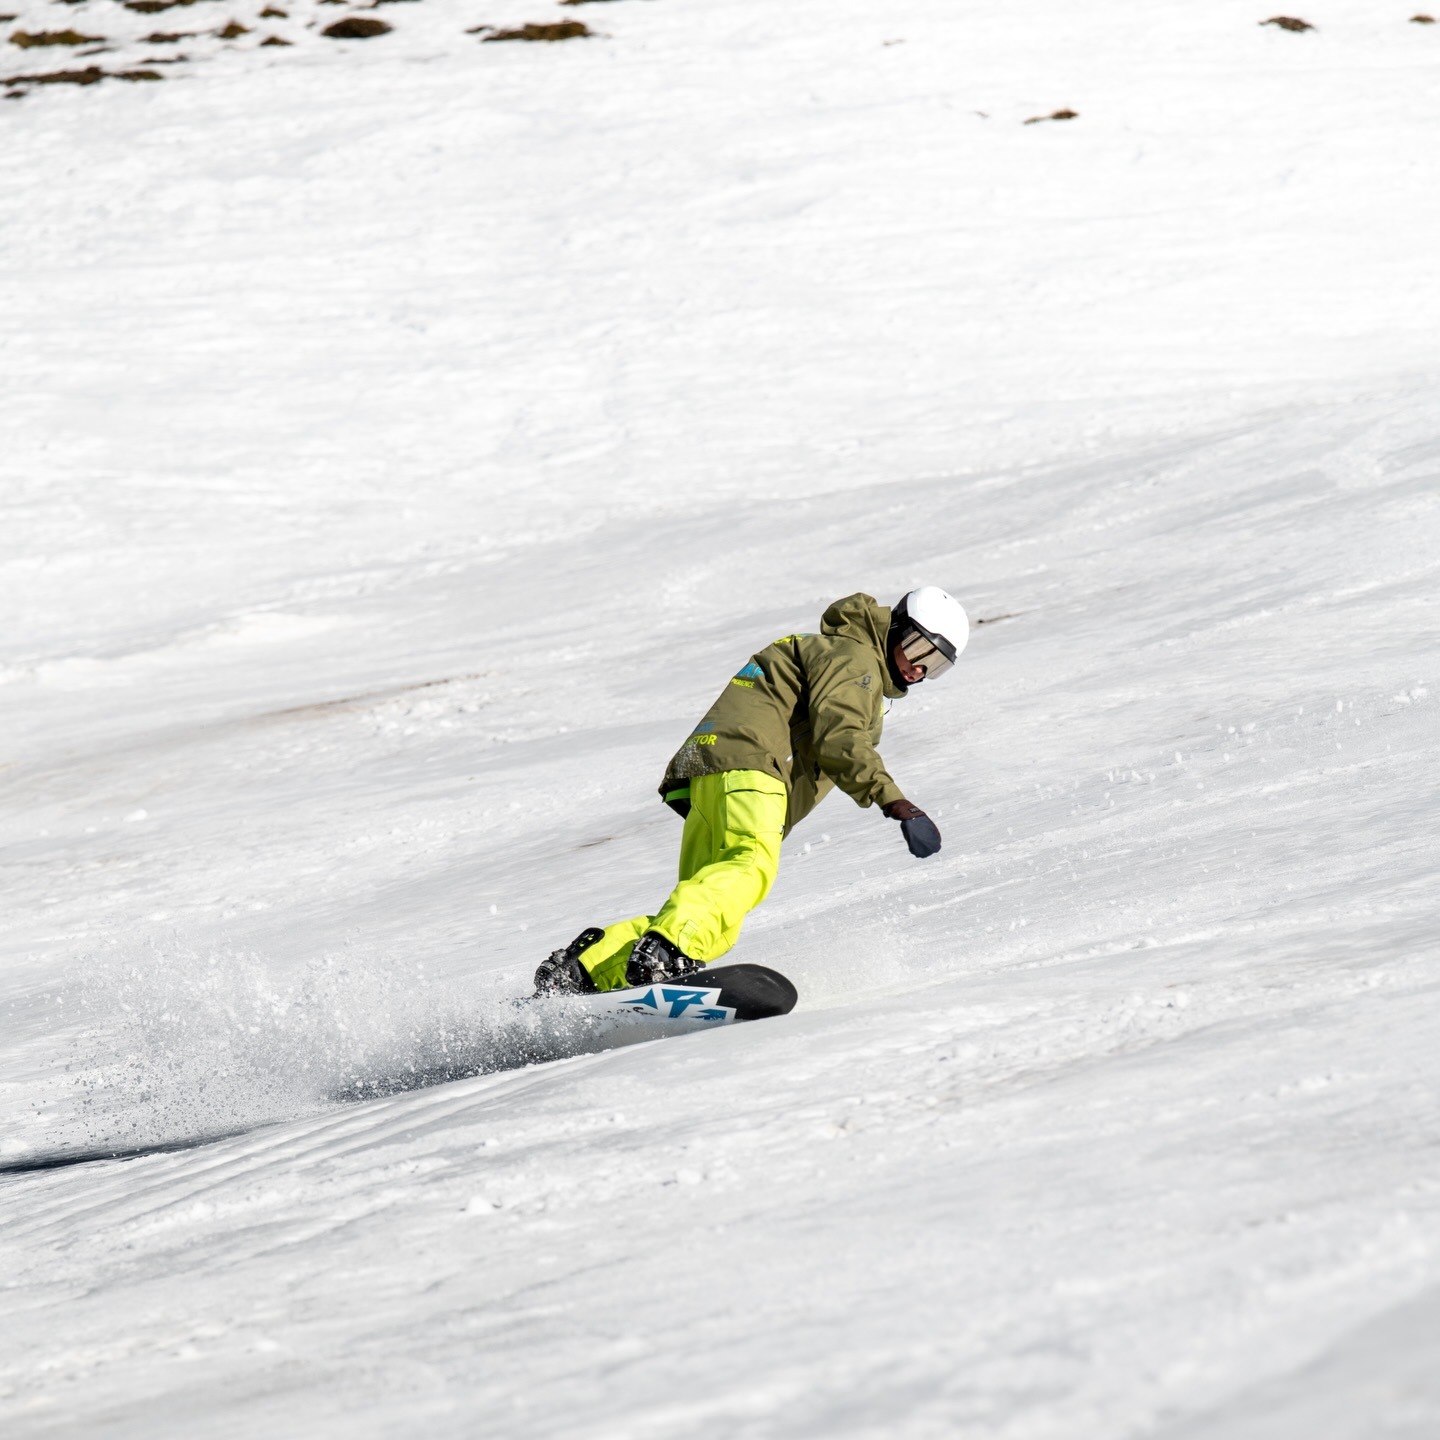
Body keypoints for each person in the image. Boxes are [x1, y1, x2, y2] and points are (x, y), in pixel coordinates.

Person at [534, 587, 969, 995]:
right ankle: (664, 952)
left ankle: (585, 971)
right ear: (894, 627)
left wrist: (774, 827)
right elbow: (842, 739)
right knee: (748, 866)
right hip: (748, 766)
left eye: (936, 665)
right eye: (918, 649)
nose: (919, 668)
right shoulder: (856, 660)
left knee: (715, 914)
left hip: (714, 777)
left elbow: (816, 753)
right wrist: (896, 801)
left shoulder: (841, 659)